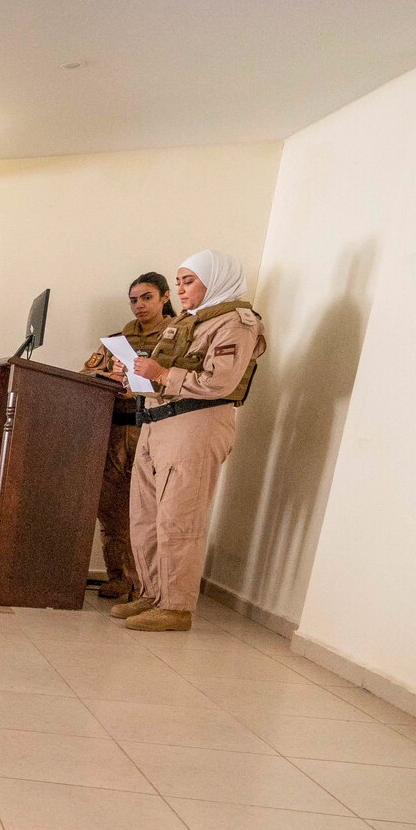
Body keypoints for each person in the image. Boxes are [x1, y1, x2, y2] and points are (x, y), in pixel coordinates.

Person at [107, 249, 269, 633]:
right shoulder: (186, 322)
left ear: (215, 280)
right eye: (178, 280)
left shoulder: (236, 323)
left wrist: (160, 371)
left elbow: (219, 381)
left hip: (195, 425)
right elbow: (162, 378)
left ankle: (176, 606)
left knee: (179, 517)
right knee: (145, 517)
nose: (180, 288)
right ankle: (151, 593)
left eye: (189, 280)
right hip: (157, 422)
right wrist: (132, 375)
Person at [80, 273, 175, 602]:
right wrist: (109, 375)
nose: (139, 305)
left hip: (153, 429)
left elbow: (177, 380)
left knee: (150, 510)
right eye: (133, 300)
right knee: (111, 509)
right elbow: (85, 374)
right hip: (116, 430)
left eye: (147, 297)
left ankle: (148, 585)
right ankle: (119, 577)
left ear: (164, 297)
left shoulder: (177, 337)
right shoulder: (116, 340)